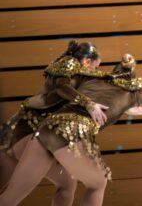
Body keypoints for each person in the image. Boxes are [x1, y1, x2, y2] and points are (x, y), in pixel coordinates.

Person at [0, 53, 142, 206]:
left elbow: (63, 87)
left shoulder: (90, 79)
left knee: (12, 197)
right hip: (72, 133)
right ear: (134, 82)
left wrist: (126, 109)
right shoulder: (133, 93)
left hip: (45, 129)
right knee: (98, 184)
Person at [0, 41, 104, 206]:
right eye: (95, 67)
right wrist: (88, 104)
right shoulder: (70, 63)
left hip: (25, 133)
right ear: (86, 62)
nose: (96, 72)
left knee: (67, 184)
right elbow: (61, 86)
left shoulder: (75, 74)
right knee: (10, 198)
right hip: (26, 132)